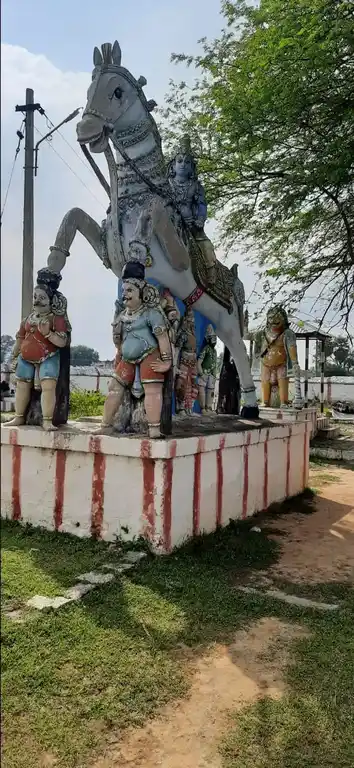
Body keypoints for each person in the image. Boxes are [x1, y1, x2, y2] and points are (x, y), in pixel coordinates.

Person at [97, 261, 172, 438]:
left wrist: (166, 361)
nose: (126, 295)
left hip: (149, 355)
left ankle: (154, 428)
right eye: (124, 291)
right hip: (128, 359)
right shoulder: (123, 315)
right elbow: (120, 340)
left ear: (142, 292)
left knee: (153, 390)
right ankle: (106, 424)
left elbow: (162, 337)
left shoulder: (151, 313)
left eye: (130, 291)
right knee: (115, 387)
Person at [5, 269, 70, 431]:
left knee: (48, 386)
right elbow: (20, 338)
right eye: (35, 297)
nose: (37, 301)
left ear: (50, 300)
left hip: (48, 356)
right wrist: (14, 356)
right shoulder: (29, 318)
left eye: (42, 298)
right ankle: (19, 416)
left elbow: (62, 341)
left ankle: (47, 419)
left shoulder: (56, 318)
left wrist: (48, 333)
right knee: (22, 385)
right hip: (25, 358)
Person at [168, 134, 217, 284]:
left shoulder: (196, 187)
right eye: (179, 161)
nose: (183, 165)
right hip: (169, 221)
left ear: (192, 167)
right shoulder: (166, 184)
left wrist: (200, 220)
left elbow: (202, 205)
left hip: (192, 225)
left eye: (187, 162)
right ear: (173, 165)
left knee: (207, 247)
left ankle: (211, 273)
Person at [197, 325, 217, 413]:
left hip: (212, 374)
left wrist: (215, 375)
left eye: (215, 338)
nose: (214, 340)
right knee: (201, 390)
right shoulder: (206, 349)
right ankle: (203, 408)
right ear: (208, 339)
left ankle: (209, 407)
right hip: (204, 373)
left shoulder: (215, 351)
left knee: (211, 391)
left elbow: (215, 364)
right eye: (212, 338)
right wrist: (201, 373)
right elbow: (198, 363)